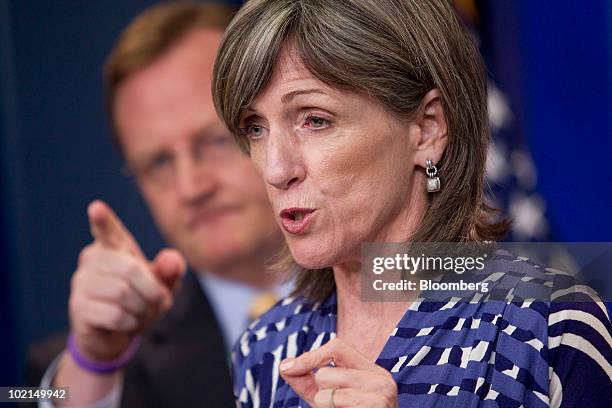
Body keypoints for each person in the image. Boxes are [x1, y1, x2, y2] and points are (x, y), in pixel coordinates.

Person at [212, 0, 612, 407]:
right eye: (255, 128)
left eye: (315, 120)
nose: (276, 170)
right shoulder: (266, 349)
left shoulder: (546, 328)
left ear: (426, 130)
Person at [28, 2, 288, 407]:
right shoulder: (94, 366)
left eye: (216, 140)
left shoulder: (399, 277)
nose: (191, 187)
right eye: (159, 162)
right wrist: (93, 366)